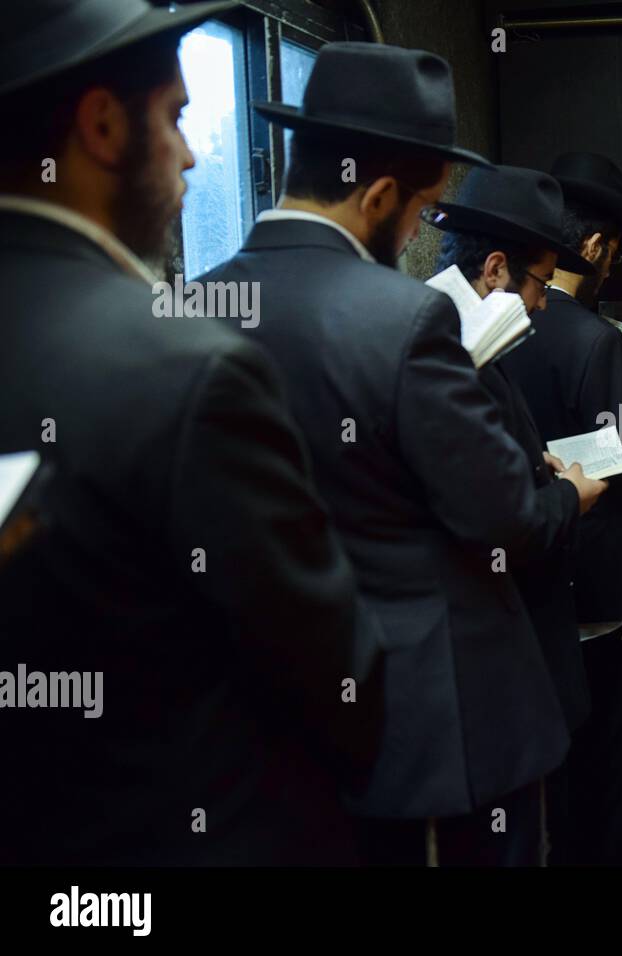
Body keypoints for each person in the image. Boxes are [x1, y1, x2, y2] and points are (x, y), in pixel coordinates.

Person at [200, 44, 604, 867]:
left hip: (271, 719)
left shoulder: (195, 303)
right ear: (378, 193)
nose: (422, 228)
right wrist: (567, 497)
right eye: (421, 206)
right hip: (435, 722)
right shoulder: (406, 320)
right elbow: (510, 521)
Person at [0, 0, 381, 865]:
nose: (191, 154)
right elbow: (337, 679)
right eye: (173, 117)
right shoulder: (189, 367)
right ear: (101, 124)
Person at [428, 163, 608, 860]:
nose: (540, 305)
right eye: (538, 284)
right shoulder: (443, 353)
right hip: (491, 668)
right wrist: (568, 493)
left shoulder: (469, 341)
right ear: (497, 267)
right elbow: (497, 522)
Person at [499, 151, 622, 864]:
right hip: (592, 579)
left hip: (524, 576)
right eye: (614, 254)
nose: (613, 269)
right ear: (594, 247)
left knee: (545, 764)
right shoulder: (598, 339)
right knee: (600, 755)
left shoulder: (493, 323)